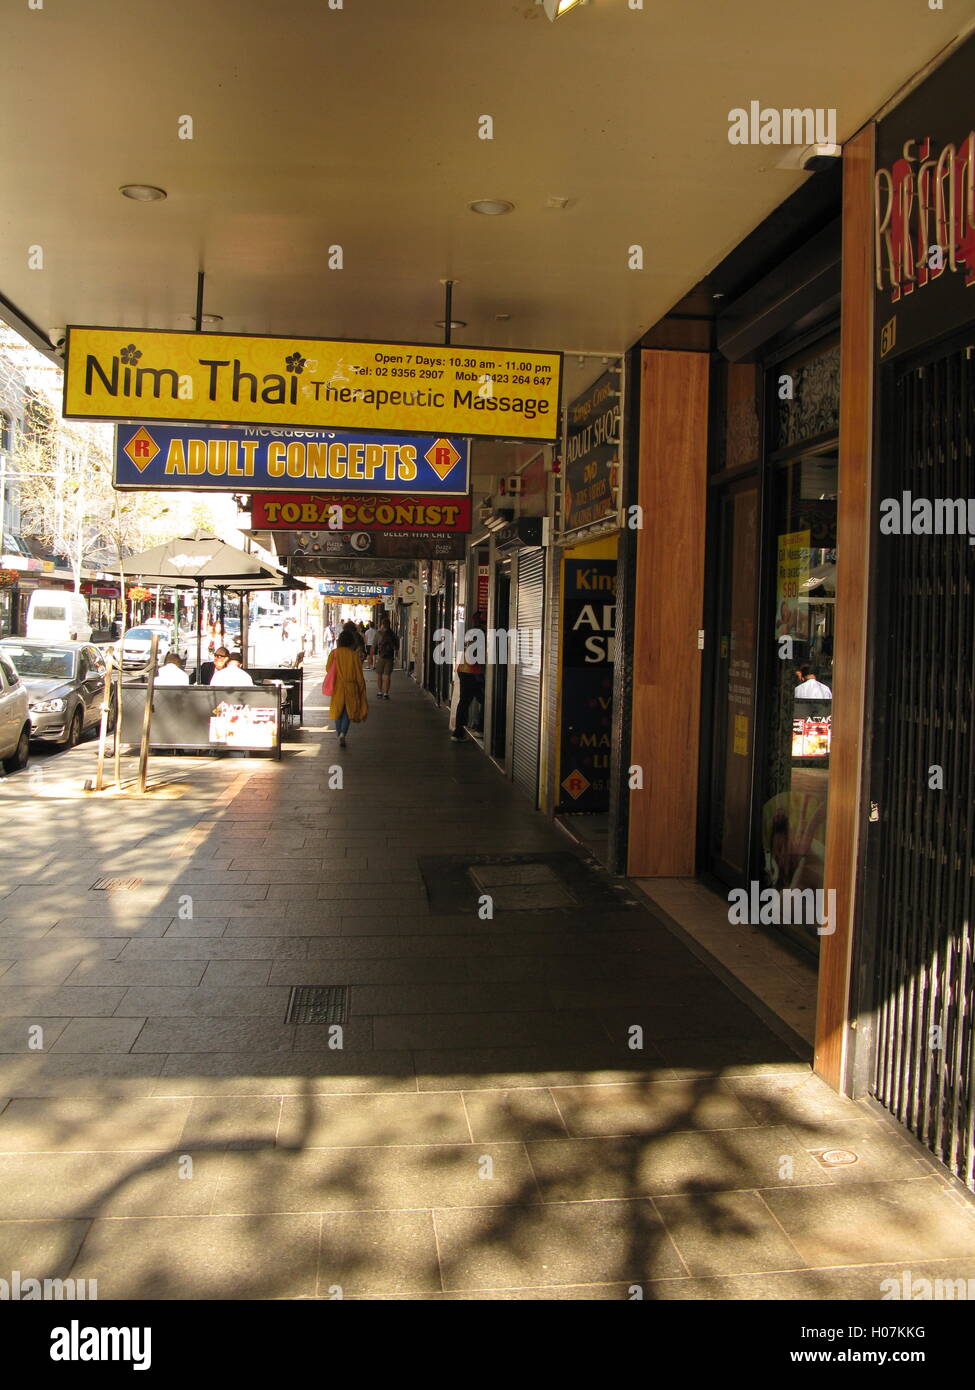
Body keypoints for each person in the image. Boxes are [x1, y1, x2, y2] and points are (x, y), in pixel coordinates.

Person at [325, 627, 368, 747]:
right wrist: (361, 687)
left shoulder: (333, 653)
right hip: (351, 686)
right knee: (348, 712)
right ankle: (343, 734)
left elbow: (328, 669)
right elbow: (358, 673)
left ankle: (339, 734)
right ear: (351, 642)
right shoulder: (353, 655)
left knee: (337, 711)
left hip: (337, 687)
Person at [452, 610, 486, 741]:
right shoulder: (480, 633)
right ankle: (479, 729)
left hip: (463, 670)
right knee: (485, 700)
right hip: (473, 672)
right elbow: (476, 656)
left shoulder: (469, 632)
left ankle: (459, 732)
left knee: (465, 701)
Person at [373, 618, 399, 699]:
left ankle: (380, 692)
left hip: (381, 657)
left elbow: (374, 645)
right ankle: (386, 693)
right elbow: (396, 647)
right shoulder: (392, 633)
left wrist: (373, 654)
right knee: (387, 675)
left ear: (382, 624)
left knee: (379, 675)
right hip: (390, 657)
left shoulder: (379, 633)